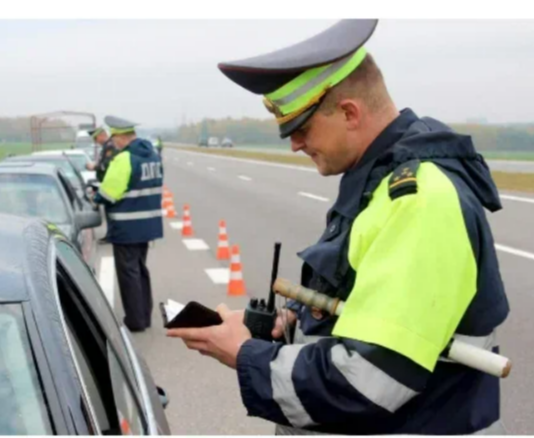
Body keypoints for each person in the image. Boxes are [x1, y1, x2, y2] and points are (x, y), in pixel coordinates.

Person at [167, 19, 510, 435]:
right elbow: (368, 302)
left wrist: (244, 354)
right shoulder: (380, 177)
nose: (294, 144)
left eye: (301, 128)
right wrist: (291, 321)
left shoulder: (419, 200)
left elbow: (367, 383)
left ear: (349, 113)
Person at [93, 116, 164, 332]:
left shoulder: (124, 159)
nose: (113, 143)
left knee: (128, 274)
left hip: (127, 227)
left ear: (121, 137)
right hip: (148, 225)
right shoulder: (153, 156)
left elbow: (108, 193)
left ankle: (135, 321)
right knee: (140, 270)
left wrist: (96, 196)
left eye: (114, 139)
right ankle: (144, 316)